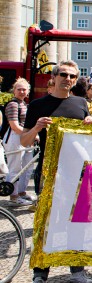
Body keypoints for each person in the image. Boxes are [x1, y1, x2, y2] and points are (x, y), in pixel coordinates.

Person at [20, 61, 92, 283]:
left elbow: (91, 140)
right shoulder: (37, 105)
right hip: (48, 172)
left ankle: (77, 269)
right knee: (46, 224)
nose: (67, 78)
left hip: (77, 172)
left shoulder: (81, 104)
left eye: (72, 76)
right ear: (53, 77)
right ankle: (39, 276)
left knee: (78, 222)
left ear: (76, 80)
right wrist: (36, 128)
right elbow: (24, 141)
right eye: (63, 74)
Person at [3, 78, 34, 206]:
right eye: (19, 89)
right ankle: (14, 197)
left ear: (28, 91)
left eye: (24, 89)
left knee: (27, 167)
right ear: (14, 90)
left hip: (25, 137)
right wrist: (32, 135)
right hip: (14, 137)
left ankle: (21, 192)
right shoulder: (13, 104)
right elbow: (15, 126)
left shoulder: (24, 104)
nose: (22, 91)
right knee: (15, 168)